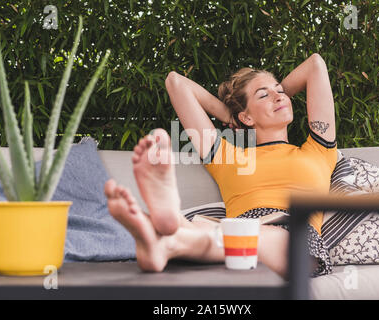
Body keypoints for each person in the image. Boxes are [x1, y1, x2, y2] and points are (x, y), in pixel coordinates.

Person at [105, 53, 337, 278]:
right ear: (247, 118)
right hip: (238, 231)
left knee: (262, 237)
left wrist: (270, 95)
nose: (278, 97)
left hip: (295, 237)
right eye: (263, 96)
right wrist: (232, 115)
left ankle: (169, 232)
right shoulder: (227, 156)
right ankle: (165, 243)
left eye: (280, 91)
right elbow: (175, 82)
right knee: (224, 233)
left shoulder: (319, 149)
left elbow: (315, 64)